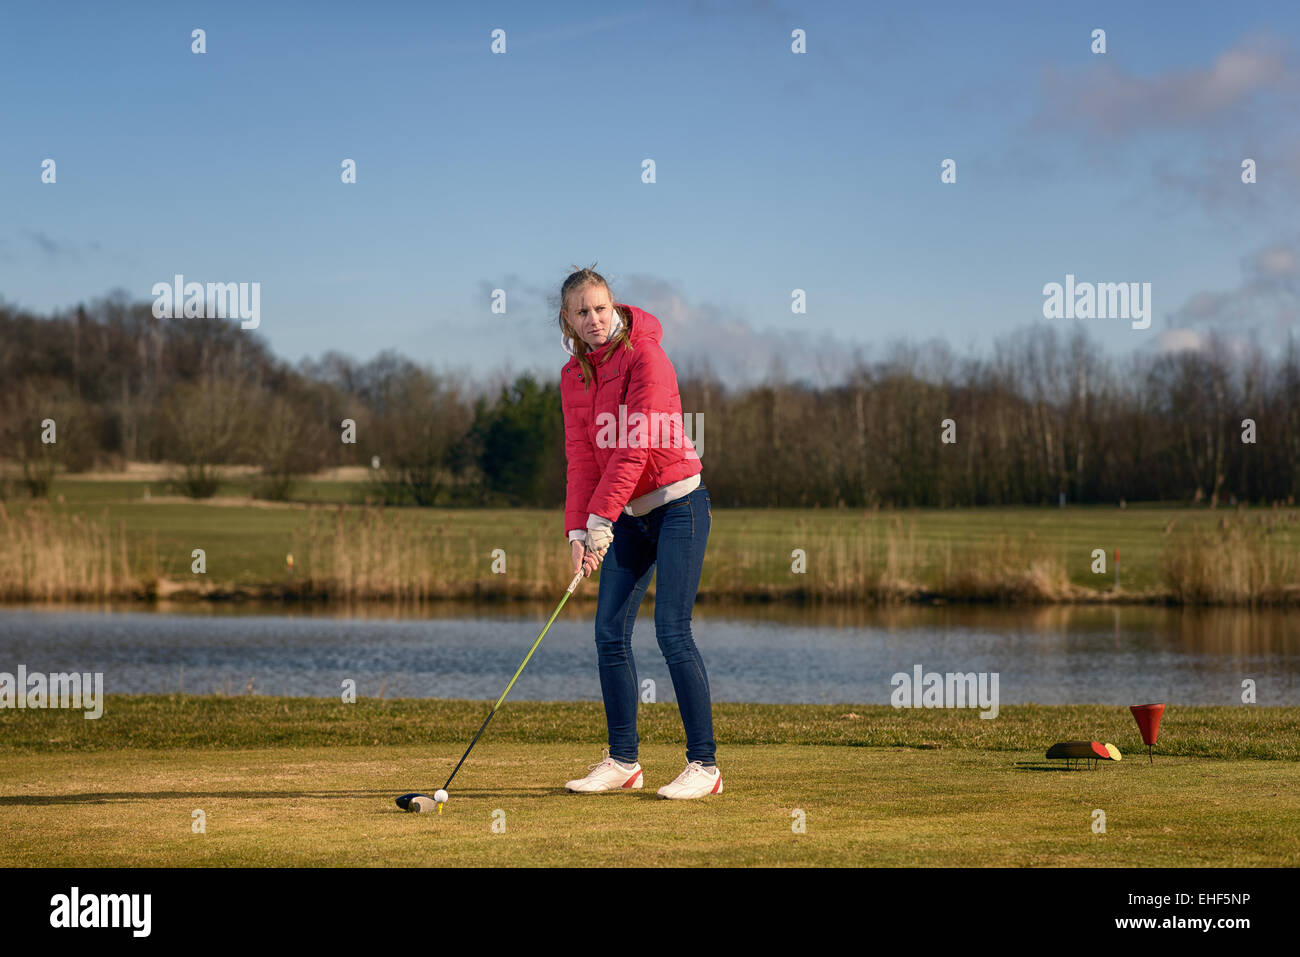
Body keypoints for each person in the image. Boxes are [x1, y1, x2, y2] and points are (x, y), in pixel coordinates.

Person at [556, 266, 721, 800]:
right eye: (582, 311)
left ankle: (705, 766)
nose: (594, 319)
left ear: (614, 306)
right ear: (568, 319)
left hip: (679, 505)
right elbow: (581, 458)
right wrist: (579, 530)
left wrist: (602, 517)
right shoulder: (573, 376)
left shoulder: (647, 355)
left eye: (600, 307)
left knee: (672, 630)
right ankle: (624, 760)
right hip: (625, 516)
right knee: (609, 631)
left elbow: (638, 444)